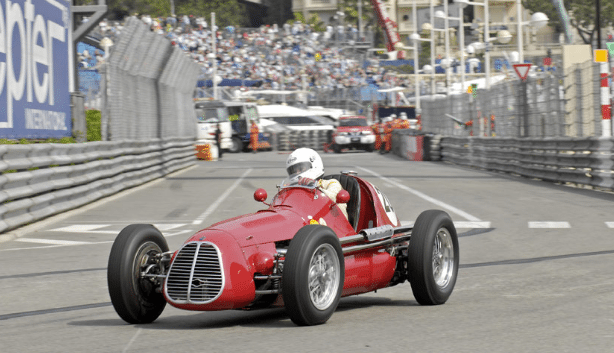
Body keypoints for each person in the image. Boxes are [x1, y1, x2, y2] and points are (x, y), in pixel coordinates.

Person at [285, 148, 348, 220]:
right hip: (309, 222)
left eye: (300, 168)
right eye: (293, 171)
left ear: (314, 164)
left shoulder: (332, 182)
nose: (297, 173)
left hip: (335, 224)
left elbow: (332, 197)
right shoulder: (298, 189)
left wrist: (313, 186)